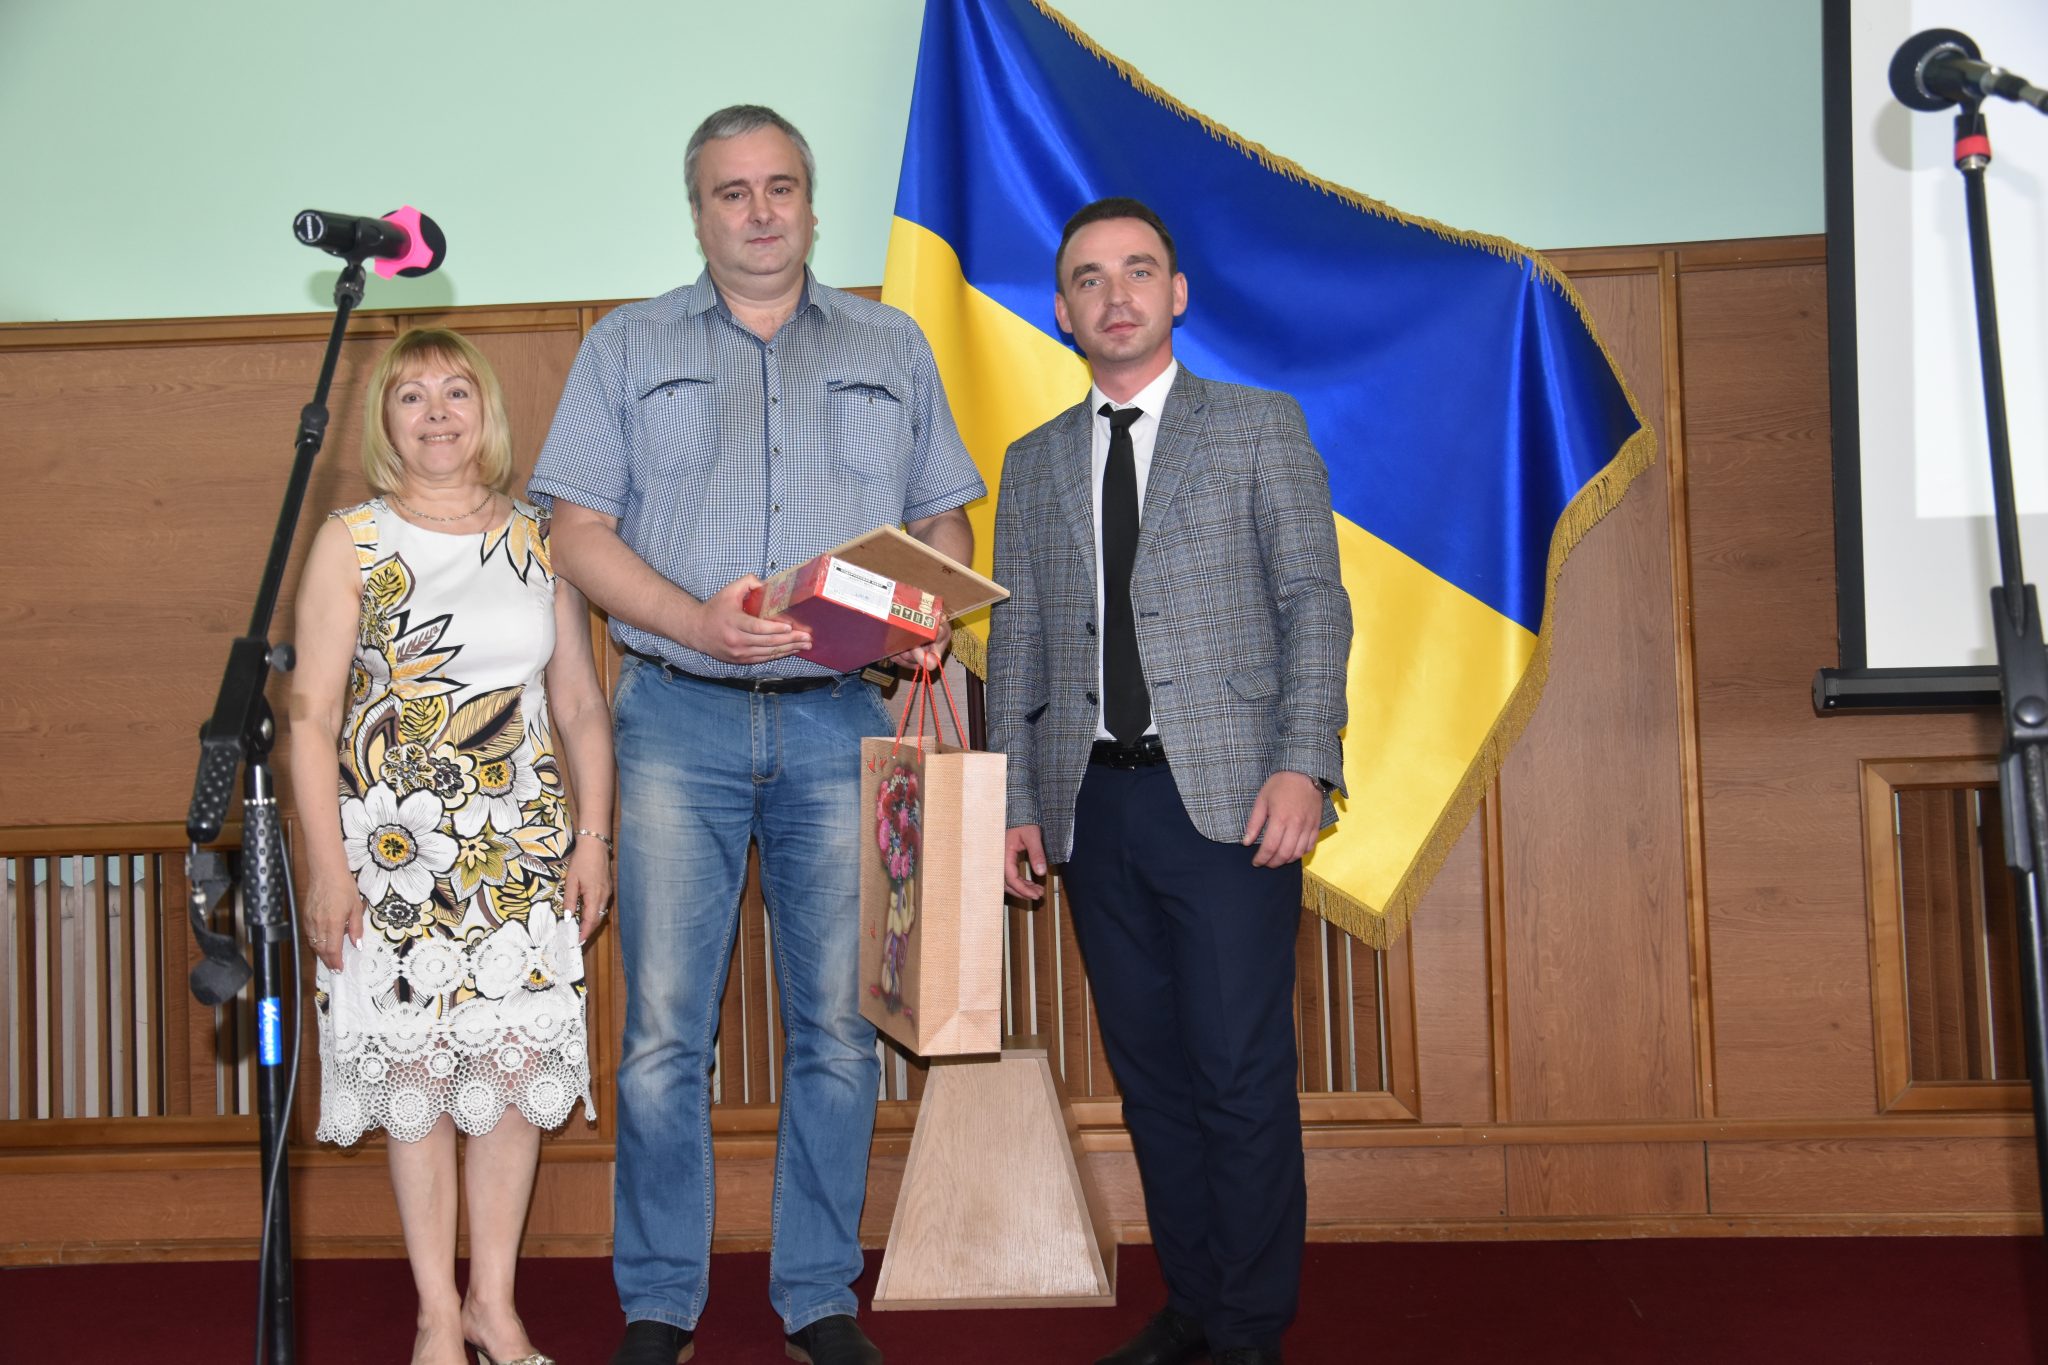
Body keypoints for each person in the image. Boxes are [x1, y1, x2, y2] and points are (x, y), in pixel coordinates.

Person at [528, 104, 983, 1365]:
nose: (760, 210)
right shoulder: (625, 346)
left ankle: (818, 1297)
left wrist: (923, 613)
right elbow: (573, 533)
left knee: (839, 1030)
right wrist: (695, 621)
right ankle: (658, 1303)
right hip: (674, 722)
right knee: (663, 1035)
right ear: (698, 214)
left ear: (811, 205)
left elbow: (943, 524)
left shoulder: (890, 345)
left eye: (780, 186)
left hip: (843, 723)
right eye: (731, 192)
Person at [986, 197, 1351, 1365]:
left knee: (1238, 1075)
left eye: (1138, 270)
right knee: (1149, 1079)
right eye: (1088, 278)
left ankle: (1246, 1331)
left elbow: (1313, 603)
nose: (1116, 294)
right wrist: (1015, 804)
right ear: (1062, 309)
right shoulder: (1033, 462)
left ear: (1177, 293)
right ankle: (1193, 1309)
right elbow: (1018, 646)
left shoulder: (1255, 428)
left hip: (1233, 803)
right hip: (1094, 808)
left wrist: (1302, 761)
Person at [288, 327, 616, 1365]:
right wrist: (327, 870)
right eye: (411, 396)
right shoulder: (353, 540)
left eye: (456, 391)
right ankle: (436, 1314)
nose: (437, 413)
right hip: (395, 855)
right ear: (384, 423)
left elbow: (580, 704)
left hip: (520, 854)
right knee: (417, 1085)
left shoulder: (541, 538)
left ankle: (494, 1308)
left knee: (512, 1076)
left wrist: (593, 840)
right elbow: (309, 715)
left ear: (487, 412)